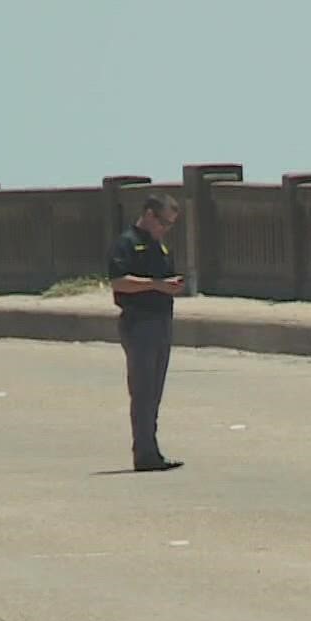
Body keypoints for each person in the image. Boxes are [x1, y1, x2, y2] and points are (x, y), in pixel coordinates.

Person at [107, 194, 186, 471]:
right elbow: (119, 281)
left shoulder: (159, 245)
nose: (166, 229)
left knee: (154, 390)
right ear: (150, 215)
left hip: (162, 320)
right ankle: (143, 453)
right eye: (164, 222)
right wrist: (157, 285)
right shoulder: (127, 242)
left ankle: (151, 449)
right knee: (142, 390)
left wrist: (171, 286)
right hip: (139, 322)